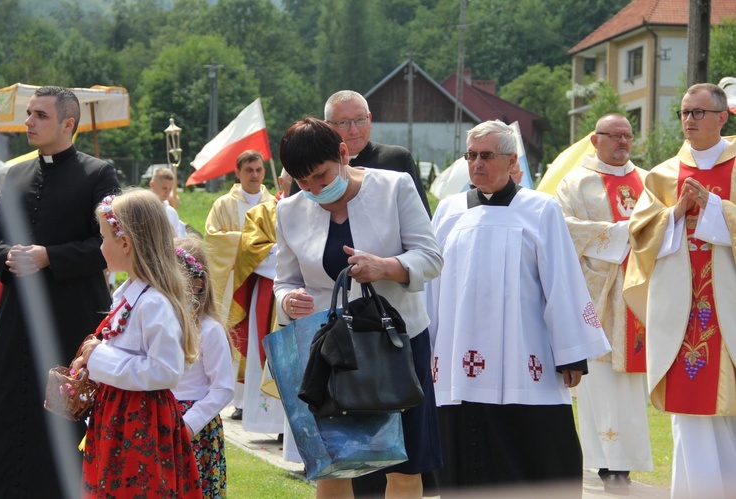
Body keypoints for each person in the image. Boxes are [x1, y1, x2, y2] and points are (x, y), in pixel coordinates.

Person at [426, 120, 610, 497]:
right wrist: (424, 349)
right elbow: (429, 288)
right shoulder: (447, 212)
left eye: (486, 156)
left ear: (511, 160)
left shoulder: (540, 209)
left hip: (526, 359)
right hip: (457, 360)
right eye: (471, 155)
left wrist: (572, 356)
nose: (477, 163)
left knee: (534, 459)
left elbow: (564, 282)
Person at [274, 117, 443, 498]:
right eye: (303, 183)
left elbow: (431, 257)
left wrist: (387, 266)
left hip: (394, 345)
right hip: (329, 352)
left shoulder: (393, 187)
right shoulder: (289, 210)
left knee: (403, 466)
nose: (315, 189)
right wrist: (287, 300)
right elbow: (284, 280)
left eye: (321, 176)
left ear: (344, 154)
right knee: (333, 465)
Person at [0, 85, 119, 498]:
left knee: (68, 415)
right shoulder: (13, 174)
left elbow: (109, 244)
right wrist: (11, 258)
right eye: (29, 113)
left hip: (72, 316)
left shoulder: (99, 173)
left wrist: (49, 257)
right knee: (4, 406)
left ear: (68, 124)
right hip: (16, 317)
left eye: (40, 115)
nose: (28, 122)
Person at [623, 83, 736, 498]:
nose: (689, 120)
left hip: (730, 309)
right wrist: (677, 214)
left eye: (699, 113)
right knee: (689, 412)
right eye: (684, 113)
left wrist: (716, 208)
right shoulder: (664, 174)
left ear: (723, 117)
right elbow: (640, 234)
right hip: (682, 312)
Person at [71, 190, 201, 497]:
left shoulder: (154, 303)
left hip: (140, 423)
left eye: (104, 238)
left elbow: (166, 370)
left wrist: (99, 358)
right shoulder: (130, 295)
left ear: (125, 243)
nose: (100, 246)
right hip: (118, 417)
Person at [556, 114, 653, 494]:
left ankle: (626, 462)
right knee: (601, 381)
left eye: (627, 135)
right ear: (595, 140)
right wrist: (621, 234)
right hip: (598, 293)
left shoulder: (648, 179)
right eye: (614, 136)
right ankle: (602, 461)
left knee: (631, 383)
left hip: (640, 293)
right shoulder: (575, 182)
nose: (622, 142)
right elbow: (565, 229)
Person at [204, 149, 275, 420]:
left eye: (258, 170)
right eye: (249, 170)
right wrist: (252, 247)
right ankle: (241, 402)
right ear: (238, 173)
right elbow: (214, 240)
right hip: (236, 283)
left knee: (261, 337)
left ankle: (263, 403)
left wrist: (256, 250)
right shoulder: (223, 204)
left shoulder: (275, 202)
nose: (254, 175)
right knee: (239, 338)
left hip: (264, 282)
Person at [231, 169, 293, 441]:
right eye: (295, 177)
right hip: (268, 294)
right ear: (281, 182)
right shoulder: (261, 213)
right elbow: (250, 253)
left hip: (304, 294)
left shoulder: (320, 208)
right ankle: (272, 423)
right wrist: (294, 251)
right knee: (266, 350)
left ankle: (292, 428)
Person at [172, 237, 235, 499]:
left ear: (196, 285)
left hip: (192, 427)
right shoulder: (160, 323)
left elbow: (223, 388)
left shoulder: (209, 330)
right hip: (162, 416)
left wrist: (189, 423)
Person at [324, 90, 431, 217]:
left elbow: (422, 220)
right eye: (343, 122)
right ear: (327, 126)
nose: (354, 130)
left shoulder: (397, 159)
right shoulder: (317, 167)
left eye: (360, 120)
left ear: (370, 119)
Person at [150, 166, 187, 238]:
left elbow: (179, 238)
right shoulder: (142, 207)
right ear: (152, 185)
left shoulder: (171, 212)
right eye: (164, 188)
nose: (167, 192)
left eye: (170, 189)